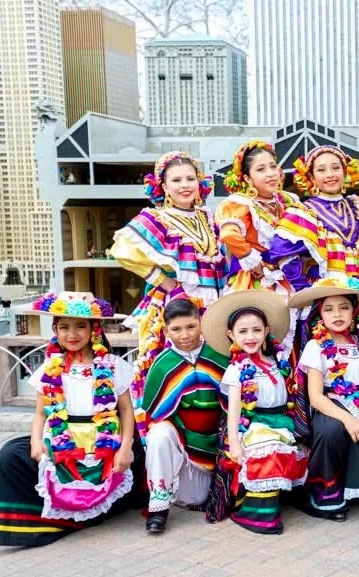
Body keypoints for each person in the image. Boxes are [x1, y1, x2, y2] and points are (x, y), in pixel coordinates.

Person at [0, 292, 141, 547]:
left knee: (136, 456)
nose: (72, 334)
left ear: (94, 329)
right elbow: (40, 413)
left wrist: (125, 448)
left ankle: (92, 512)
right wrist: (36, 442)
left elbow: (126, 411)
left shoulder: (113, 365)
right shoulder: (50, 367)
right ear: (55, 331)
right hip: (61, 438)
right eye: (64, 327)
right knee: (10, 456)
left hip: (105, 440)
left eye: (80, 326)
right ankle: (37, 522)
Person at [111, 151, 223, 434]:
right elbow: (122, 249)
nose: (185, 185)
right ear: (162, 185)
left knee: (212, 367)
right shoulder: (157, 217)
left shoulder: (208, 217)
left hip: (213, 303)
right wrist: (162, 279)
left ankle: (210, 432)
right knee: (169, 365)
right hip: (176, 304)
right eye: (176, 180)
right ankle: (165, 433)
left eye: (190, 178)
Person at [203, 290, 308, 535]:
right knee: (268, 446)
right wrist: (235, 444)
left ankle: (281, 499)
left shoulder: (278, 362)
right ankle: (256, 513)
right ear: (231, 335)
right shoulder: (236, 369)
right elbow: (233, 411)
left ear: (266, 330)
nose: (250, 337)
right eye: (243, 331)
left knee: (301, 446)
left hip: (282, 419)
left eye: (256, 330)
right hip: (253, 423)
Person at [288, 277, 359, 521]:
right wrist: (347, 417)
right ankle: (322, 493)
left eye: (344, 307)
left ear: (355, 311)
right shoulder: (316, 346)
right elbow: (316, 396)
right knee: (332, 430)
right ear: (320, 314)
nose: (337, 314)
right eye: (329, 309)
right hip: (331, 404)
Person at [141, 299, 228, 534]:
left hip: (219, 441)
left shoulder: (220, 355)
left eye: (191, 326)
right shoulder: (161, 364)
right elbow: (153, 414)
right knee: (159, 433)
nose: (185, 335)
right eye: (176, 329)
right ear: (166, 330)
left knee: (196, 498)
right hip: (183, 444)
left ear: (201, 323)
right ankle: (158, 507)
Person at [217, 140, 324, 296]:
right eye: (261, 169)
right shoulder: (241, 203)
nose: (271, 173)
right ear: (247, 178)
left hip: (291, 275)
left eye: (273, 166)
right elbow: (228, 234)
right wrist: (251, 260)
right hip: (257, 279)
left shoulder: (289, 200)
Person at [291, 146, 359, 280]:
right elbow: (284, 255)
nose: (330, 174)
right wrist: (303, 288)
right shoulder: (302, 212)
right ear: (311, 177)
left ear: (345, 172)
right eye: (321, 170)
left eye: (335, 168)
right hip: (323, 293)